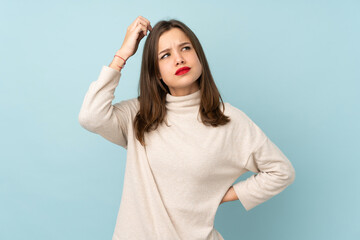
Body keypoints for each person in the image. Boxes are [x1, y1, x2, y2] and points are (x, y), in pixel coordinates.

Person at [78, 16, 295, 240]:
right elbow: (91, 116)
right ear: (157, 72)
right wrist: (122, 54)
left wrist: (222, 195)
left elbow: (281, 171)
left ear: (199, 56)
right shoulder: (139, 115)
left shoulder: (228, 119)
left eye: (186, 48)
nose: (179, 59)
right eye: (166, 55)